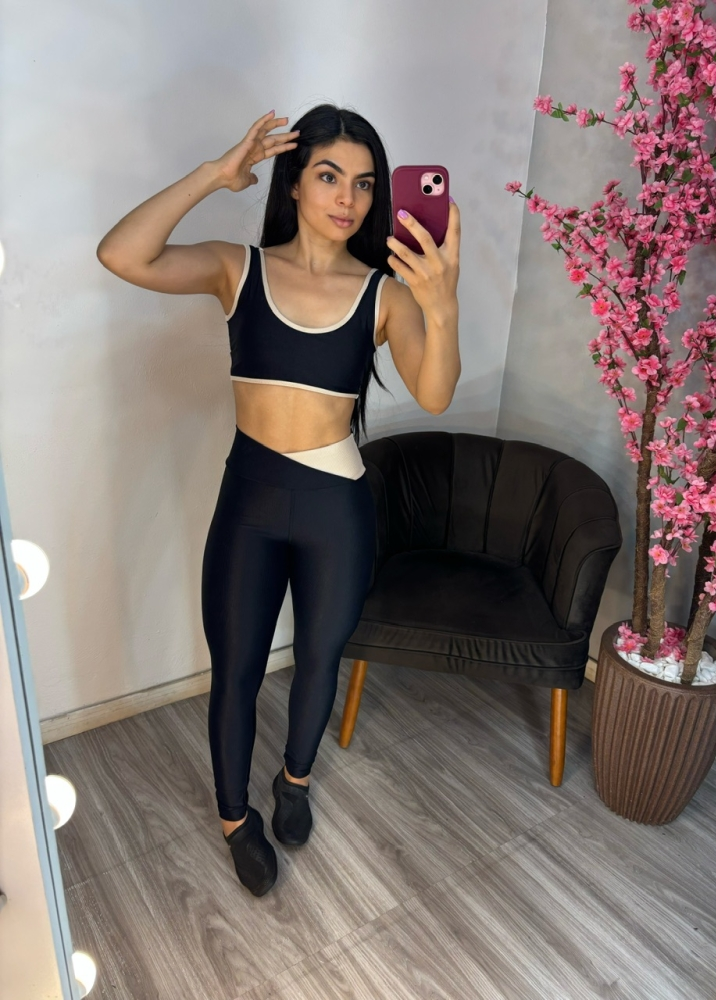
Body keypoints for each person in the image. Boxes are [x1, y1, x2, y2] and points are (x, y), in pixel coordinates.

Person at [96, 103, 461, 896]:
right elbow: (121, 253)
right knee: (237, 669)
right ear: (293, 183)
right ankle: (235, 818)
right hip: (251, 505)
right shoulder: (239, 269)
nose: (348, 198)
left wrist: (442, 304)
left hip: (338, 512)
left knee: (321, 657)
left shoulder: (385, 295)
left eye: (365, 183)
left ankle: (295, 781)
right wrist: (214, 175)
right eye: (329, 176)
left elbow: (435, 394)